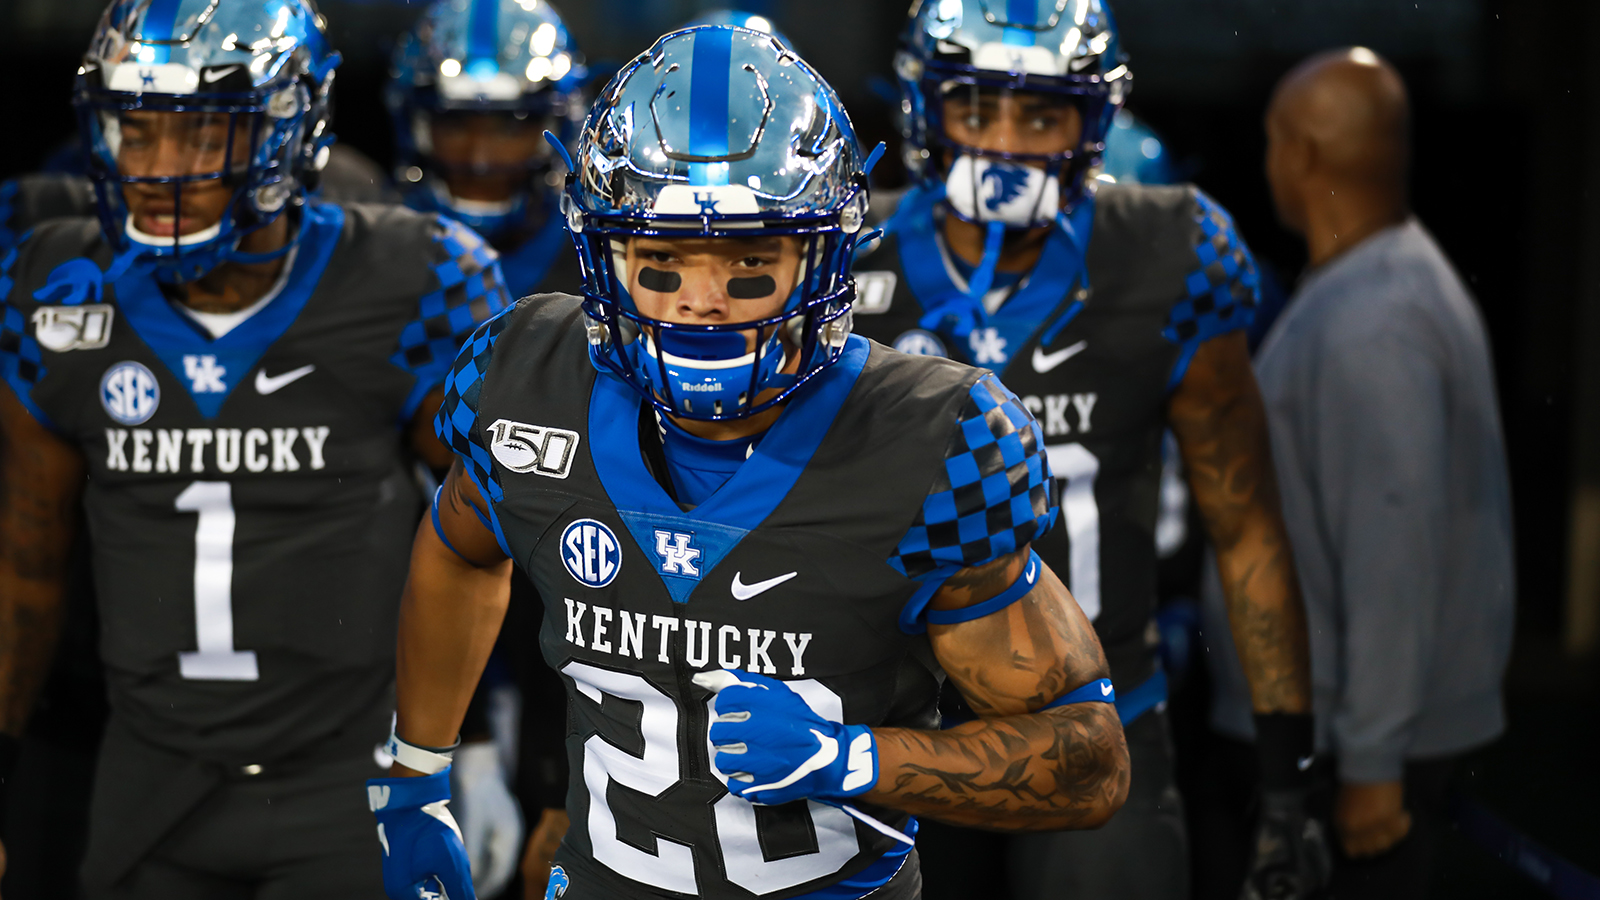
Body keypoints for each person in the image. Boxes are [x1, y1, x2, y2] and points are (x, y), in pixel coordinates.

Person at [365, 25, 1130, 900]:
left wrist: (852, 758)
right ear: (604, 260)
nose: (701, 303)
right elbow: (459, 549)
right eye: (660, 264)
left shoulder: (932, 442)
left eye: (750, 263)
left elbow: (1091, 763)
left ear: (822, 259)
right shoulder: (526, 382)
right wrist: (417, 777)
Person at [0, 0, 512, 895]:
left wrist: (472, 753)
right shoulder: (55, 290)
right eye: (137, 131)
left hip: (345, 780)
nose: (158, 171)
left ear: (290, 127)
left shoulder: (421, 282)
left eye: (200, 136)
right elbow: (23, 568)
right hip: (147, 776)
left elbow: (491, 542)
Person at [847, 1, 1328, 898]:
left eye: (1041, 113)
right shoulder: (841, 258)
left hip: (1103, 719)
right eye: (976, 107)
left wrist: (1286, 782)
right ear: (926, 106)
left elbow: (1248, 526)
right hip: (892, 733)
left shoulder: (1171, 250)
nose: (1003, 143)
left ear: (1095, 118)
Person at [1195, 47, 1515, 900]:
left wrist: (1373, 762)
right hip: (1332, 731)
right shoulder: (1374, 288)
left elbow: (1392, 551)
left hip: (1340, 748)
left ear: (1299, 151)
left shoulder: (1375, 321)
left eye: (1272, 141)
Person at [388, 0, 587, 301]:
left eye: (511, 126)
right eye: (454, 123)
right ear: (418, 128)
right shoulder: (372, 249)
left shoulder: (599, 259)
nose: (479, 160)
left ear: (560, 126)